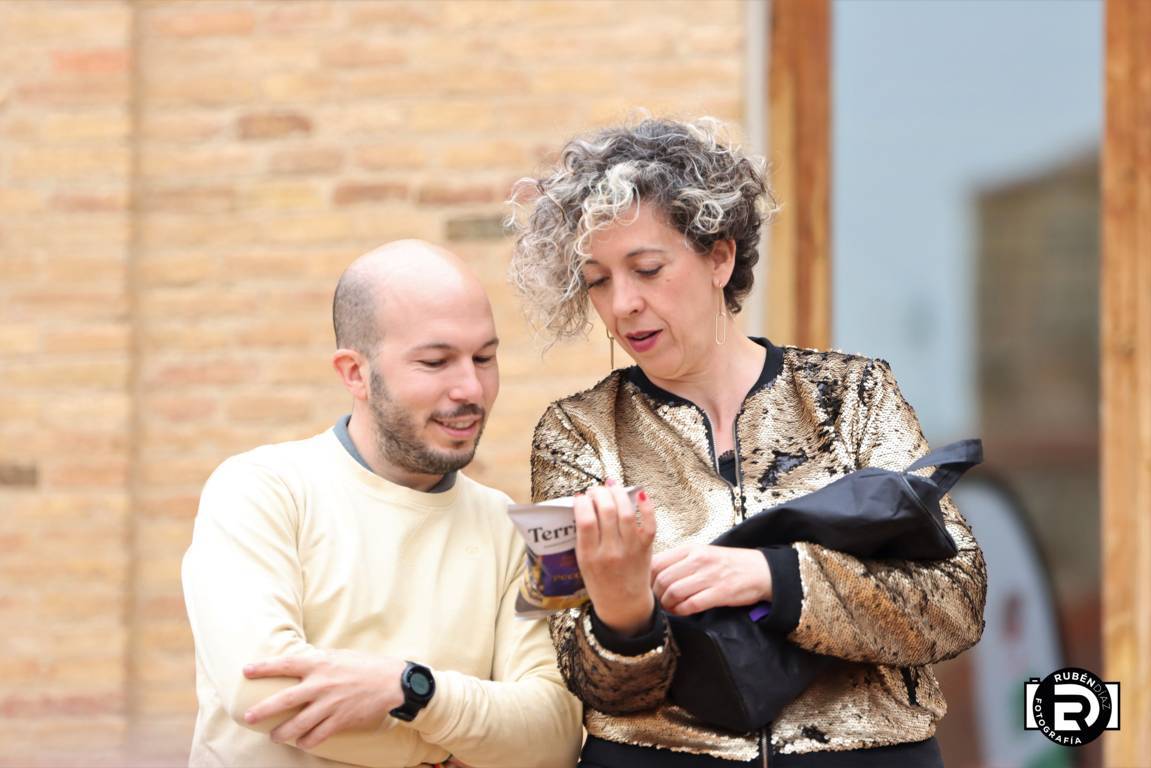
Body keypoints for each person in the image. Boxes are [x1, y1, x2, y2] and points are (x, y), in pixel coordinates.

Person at [507, 118, 987, 767]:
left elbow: (956, 602)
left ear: (719, 257)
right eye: (597, 280)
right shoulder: (577, 431)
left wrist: (774, 577)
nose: (621, 305)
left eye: (647, 269)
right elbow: (590, 683)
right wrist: (623, 616)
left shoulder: (852, 395)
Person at [181, 240, 582, 768]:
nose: (471, 388)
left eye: (485, 358)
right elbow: (266, 697)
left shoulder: (530, 533)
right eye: (436, 362)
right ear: (355, 373)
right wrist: (452, 746)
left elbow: (554, 738)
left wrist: (408, 689)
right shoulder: (255, 490)